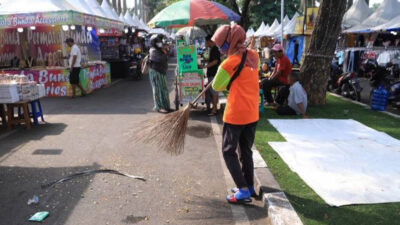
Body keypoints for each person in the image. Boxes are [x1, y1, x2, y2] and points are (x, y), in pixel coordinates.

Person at [211, 24, 260, 204]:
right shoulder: (253, 56)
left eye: (221, 44)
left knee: (228, 151)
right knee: (245, 150)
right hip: (252, 113)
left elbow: (216, 87)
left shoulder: (229, 63)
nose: (219, 48)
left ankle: (243, 189)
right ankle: (250, 185)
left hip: (236, 115)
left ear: (229, 42)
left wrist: (224, 75)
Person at [148, 34, 171, 113]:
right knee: (157, 90)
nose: (160, 42)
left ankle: (166, 106)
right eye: (157, 41)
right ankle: (159, 107)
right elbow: (160, 59)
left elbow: (166, 59)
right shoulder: (153, 50)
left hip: (162, 72)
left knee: (164, 90)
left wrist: (164, 51)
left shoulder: (160, 49)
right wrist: (164, 51)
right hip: (155, 71)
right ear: (153, 42)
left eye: (160, 41)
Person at [200, 35, 221, 116]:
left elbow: (215, 61)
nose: (206, 43)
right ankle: (214, 107)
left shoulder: (215, 49)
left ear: (210, 41)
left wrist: (205, 66)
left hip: (214, 73)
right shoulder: (212, 49)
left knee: (214, 92)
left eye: (207, 42)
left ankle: (214, 109)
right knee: (213, 92)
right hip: (211, 73)